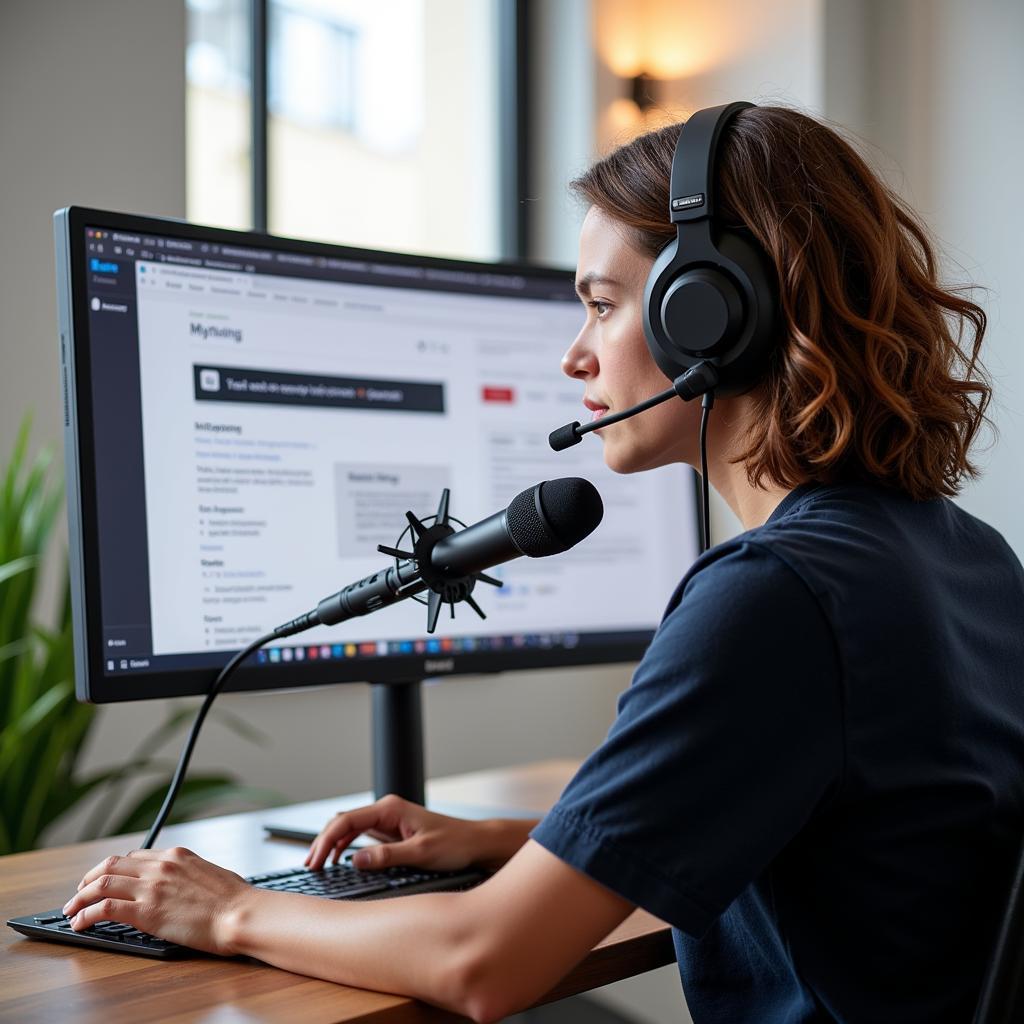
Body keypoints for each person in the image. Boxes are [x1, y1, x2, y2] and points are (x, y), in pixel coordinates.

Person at [63, 105, 1024, 1023]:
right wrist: (518, 843)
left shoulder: (775, 598)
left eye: (601, 306)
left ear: (714, 319)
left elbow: (484, 963)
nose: (573, 357)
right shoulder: (963, 556)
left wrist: (229, 910)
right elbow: (833, 829)